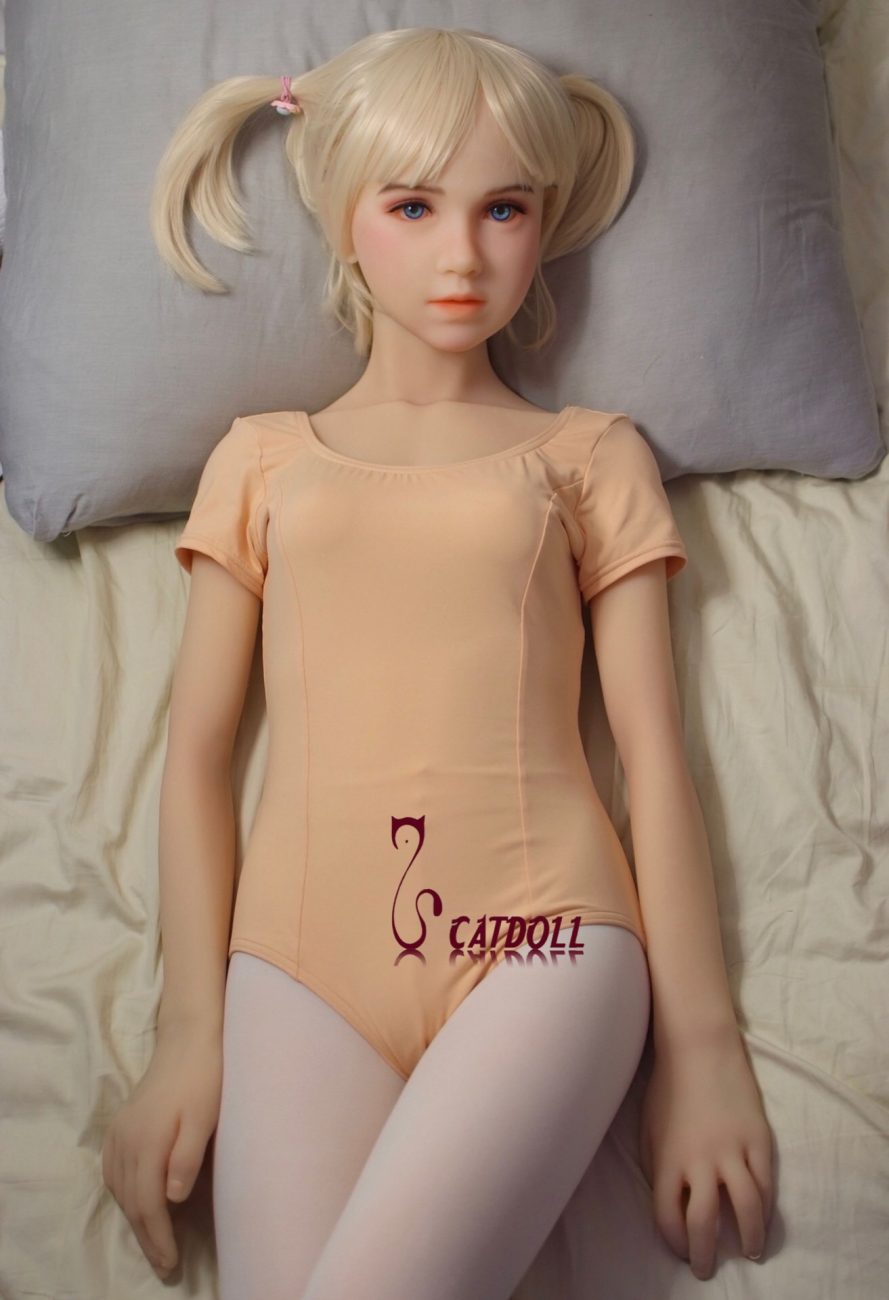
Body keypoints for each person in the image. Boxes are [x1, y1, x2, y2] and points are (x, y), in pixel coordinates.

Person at [102, 27, 774, 1299]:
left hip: (544, 942)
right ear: (344, 215)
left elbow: (651, 753)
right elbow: (195, 756)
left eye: (503, 208)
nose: (463, 254)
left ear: (543, 220)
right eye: (413, 206)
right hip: (300, 962)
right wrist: (186, 1031)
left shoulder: (589, 457)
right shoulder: (259, 458)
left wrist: (701, 1047)